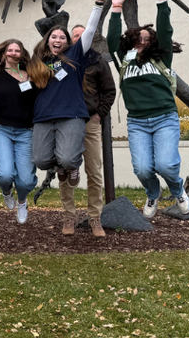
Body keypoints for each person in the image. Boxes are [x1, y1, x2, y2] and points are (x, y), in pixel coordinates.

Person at [27, 0, 114, 235]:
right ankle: (68, 214)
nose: (58, 39)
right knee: (44, 160)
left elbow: (88, 33)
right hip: (45, 118)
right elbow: (21, 82)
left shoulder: (76, 58)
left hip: (77, 117)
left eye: (62, 37)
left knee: (81, 165)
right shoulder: (38, 63)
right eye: (53, 36)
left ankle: (94, 217)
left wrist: (98, 4)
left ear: (68, 44)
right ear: (47, 40)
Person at [107, 0, 189, 219]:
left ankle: (177, 190)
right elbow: (112, 41)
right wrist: (115, 9)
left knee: (166, 165)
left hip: (164, 117)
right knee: (143, 169)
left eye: (147, 38)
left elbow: (165, 31)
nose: (142, 41)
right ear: (131, 41)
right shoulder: (123, 60)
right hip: (137, 122)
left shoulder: (162, 58)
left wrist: (162, 1)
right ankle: (153, 193)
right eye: (138, 38)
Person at [67, 21, 117, 237]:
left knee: (94, 171)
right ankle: (68, 216)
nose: (79, 38)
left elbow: (109, 91)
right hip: (66, 122)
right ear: (71, 40)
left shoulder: (97, 61)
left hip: (90, 122)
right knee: (65, 168)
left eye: (82, 34)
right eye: (75, 36)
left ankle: (95, 218)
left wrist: (98, 115)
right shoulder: (61, 60)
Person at [0, 38, 37, 224]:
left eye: (17, 50)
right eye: (10, 50)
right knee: (5, 175)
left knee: (26, 180)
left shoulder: (31, 74)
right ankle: (6, 191)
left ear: (22, 54)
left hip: (26, 132)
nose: (14, 53)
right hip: (2, 130)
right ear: (4, 53)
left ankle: (22, 202)